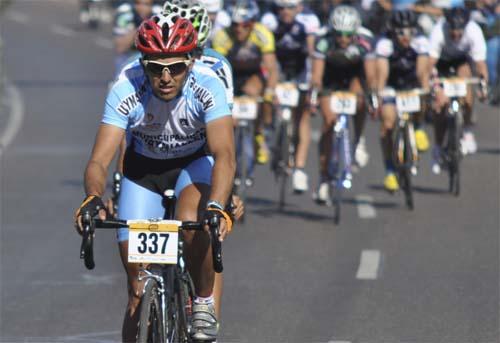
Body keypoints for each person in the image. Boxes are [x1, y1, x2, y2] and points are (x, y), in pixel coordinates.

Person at [74, 14, 235, 342]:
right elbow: (98, 160)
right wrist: (92, 196)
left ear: (190, 63)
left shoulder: (207, 84)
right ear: (142, 63)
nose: (164, 77)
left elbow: (224, 155)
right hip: (142, 172)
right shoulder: (126, 86)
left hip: (193, 165)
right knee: (137, 288)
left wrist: (217, 205)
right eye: (155, 67)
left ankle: (202, 300)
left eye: (175, 67)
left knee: (192, 221)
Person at [162, 0, 235, 320]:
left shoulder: (216, 68)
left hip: (202, 154)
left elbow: (225, 140)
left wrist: (227, 194)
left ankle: (207, 319)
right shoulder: (152, 62)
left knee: (205, 233)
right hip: (156, 157)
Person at [310, 5, 375, 203]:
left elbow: (370, 76)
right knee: (329, 122)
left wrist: (373, 98)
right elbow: (317, 76)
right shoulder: (322, 40)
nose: (344, 39)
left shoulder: (366, 40)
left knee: (361, 98)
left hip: (354, 76)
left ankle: (359, 139)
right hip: (330, 78)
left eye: (348, 35)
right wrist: (314, 95)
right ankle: (323, 178)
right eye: (339, 34)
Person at [212, 0, 279, 176]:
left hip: (254, 74)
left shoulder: (263, 34)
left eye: (244, 25)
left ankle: (259, 133)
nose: (239, 29)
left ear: (253, 24)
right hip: (230, 74)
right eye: (235, 25)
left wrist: (270, 92)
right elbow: (217, 70)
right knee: (229, 116)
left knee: (258, 94)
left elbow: (271, 68)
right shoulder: (222, 36)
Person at [261, 0, 319, 193]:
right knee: (265, 96)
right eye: (282, 8)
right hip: (278, 68)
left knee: (301, 116)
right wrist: (270, 83)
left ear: (299, 8)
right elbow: (265, 56)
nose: (285, 12)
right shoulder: (269, 20)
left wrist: (310, 85)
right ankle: (267, 132)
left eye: (290, 8)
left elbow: (312, 55)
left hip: (300, 71)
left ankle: (300, 169)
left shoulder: (308, 21)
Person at [374, 10, 431, 192]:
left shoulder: (420, 41)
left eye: (409, 32)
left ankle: (419, 127)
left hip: (411, 82)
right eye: (401, 33)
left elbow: (422, 73)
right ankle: (390, 170)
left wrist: (425, 91)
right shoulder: (385, 43)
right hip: (392, 84)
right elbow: (382, 75)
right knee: (388, 123)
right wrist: (379, 96)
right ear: (393, 32)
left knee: (421, 95)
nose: (405, 37)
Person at [428, 6, 488, 171]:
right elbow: (429, 64)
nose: (455, 34)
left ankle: (467, 129)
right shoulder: (438, 31)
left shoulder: (474, 32)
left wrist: (483, 86)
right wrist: (436, 88)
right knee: (439, 108)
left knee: (467, 90)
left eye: (459, 31)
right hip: (441, 63)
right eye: (453, 31)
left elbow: (481, 65)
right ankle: (438, 147)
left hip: (462, 62)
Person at [113, 0, 161, 76]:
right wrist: (139, 28)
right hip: (130, 55)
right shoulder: (125, 15)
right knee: (121, 59)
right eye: (138, 3)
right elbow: (120, 48)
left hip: (153, 56)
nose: (142, 8)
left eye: (146, 4)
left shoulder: (159, 15)